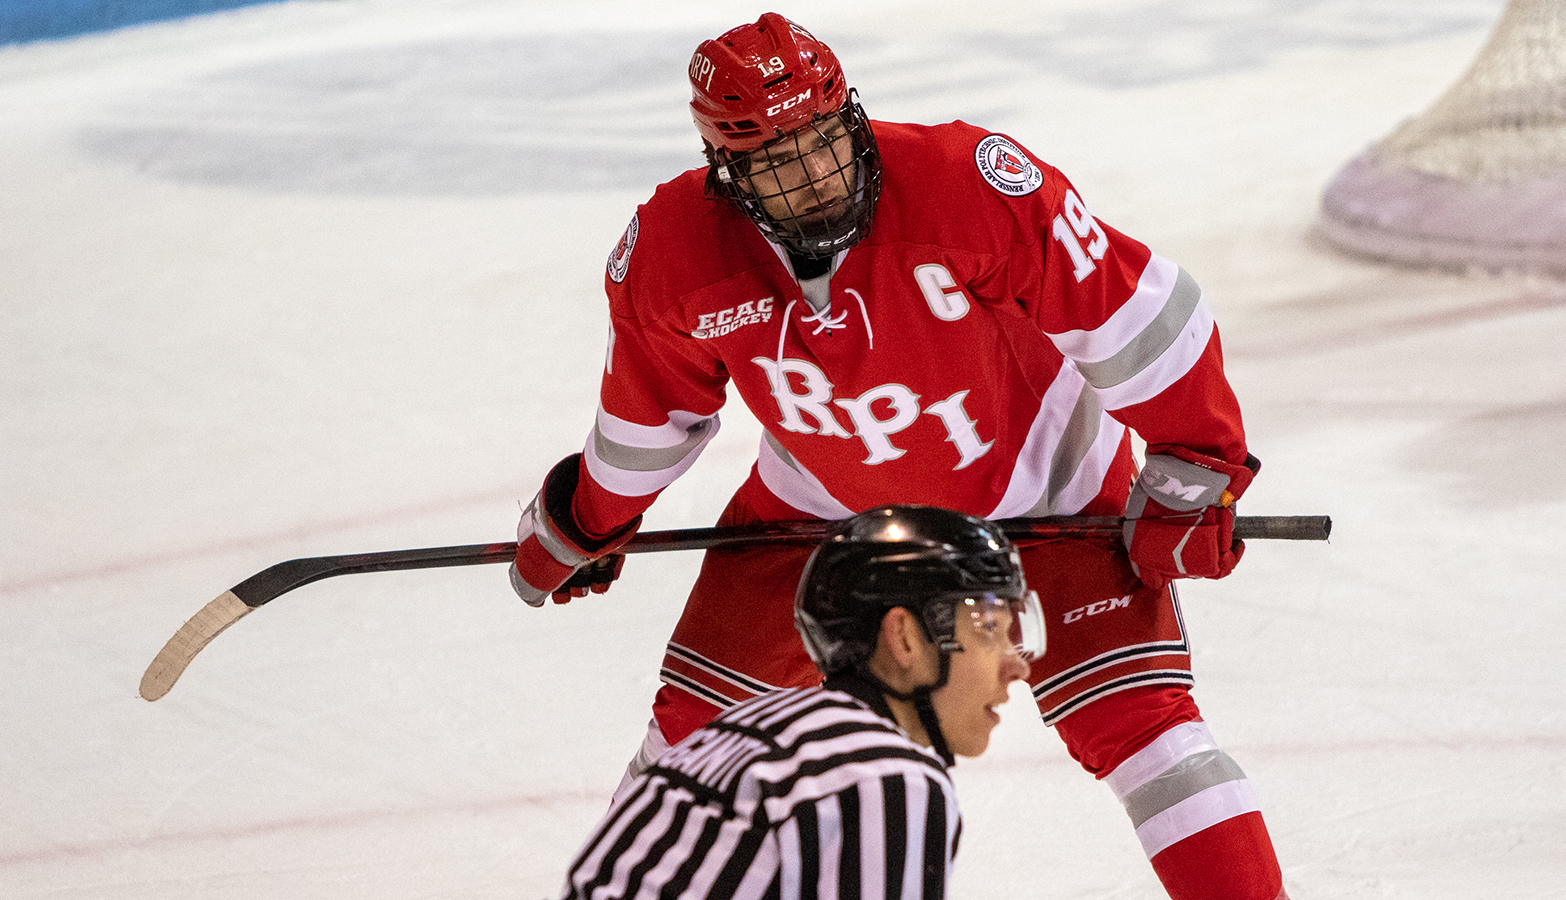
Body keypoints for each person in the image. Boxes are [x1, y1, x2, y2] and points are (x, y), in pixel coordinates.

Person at [515, 13, 1288, 900]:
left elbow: (1146, 320)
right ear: (726, 172)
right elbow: (653, 414)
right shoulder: (671, 253)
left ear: (849, 113)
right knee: (694, 729)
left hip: (1047, 477)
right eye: (775, 160)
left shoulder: (968, 183)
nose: (812, 175)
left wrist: (1195, 473)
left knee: (1144, 724)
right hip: (822, 500)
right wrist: (585, 519)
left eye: (821, 139)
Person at [556, 504, 1040, 899]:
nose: (1017, 665)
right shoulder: (884, 777)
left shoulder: (741, 728)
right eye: (989, 631)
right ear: (905, 639)